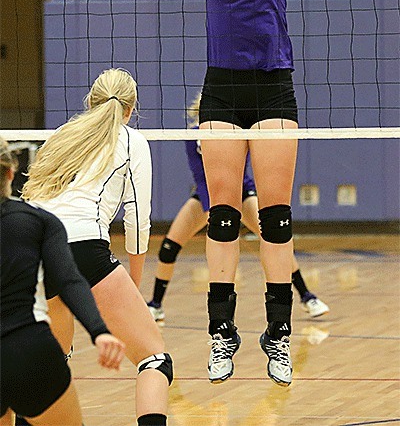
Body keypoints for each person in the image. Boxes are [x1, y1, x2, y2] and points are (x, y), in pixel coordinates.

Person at [129, 0, 299, 386]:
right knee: (223, 215)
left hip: (274, 86)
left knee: (275, 218)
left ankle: (277, 336)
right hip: (222, 89)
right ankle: (220, 336)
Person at [22, 69, 173, 426]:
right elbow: (137, 221)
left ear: (90, 102)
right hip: (84, 249)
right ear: (130, 109)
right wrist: (133, 286)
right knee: (155, 360)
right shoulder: (131, 140)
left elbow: (33, 196)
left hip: (35, 255)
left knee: (49, 372)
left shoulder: (62, 135)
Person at [147, 95, 329, 323]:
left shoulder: (238, 129)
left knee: (274, 239)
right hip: (208, 193)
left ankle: (307, 297)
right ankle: (155, 305)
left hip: (241, 192)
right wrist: (214, 209)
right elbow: (200, 176)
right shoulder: (193, 134)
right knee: (168, 247)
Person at [0, 136, 126, 426]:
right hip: (28, 350)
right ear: (11, 171)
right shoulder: (39, 221)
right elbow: (69, 281)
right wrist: (99, 331)